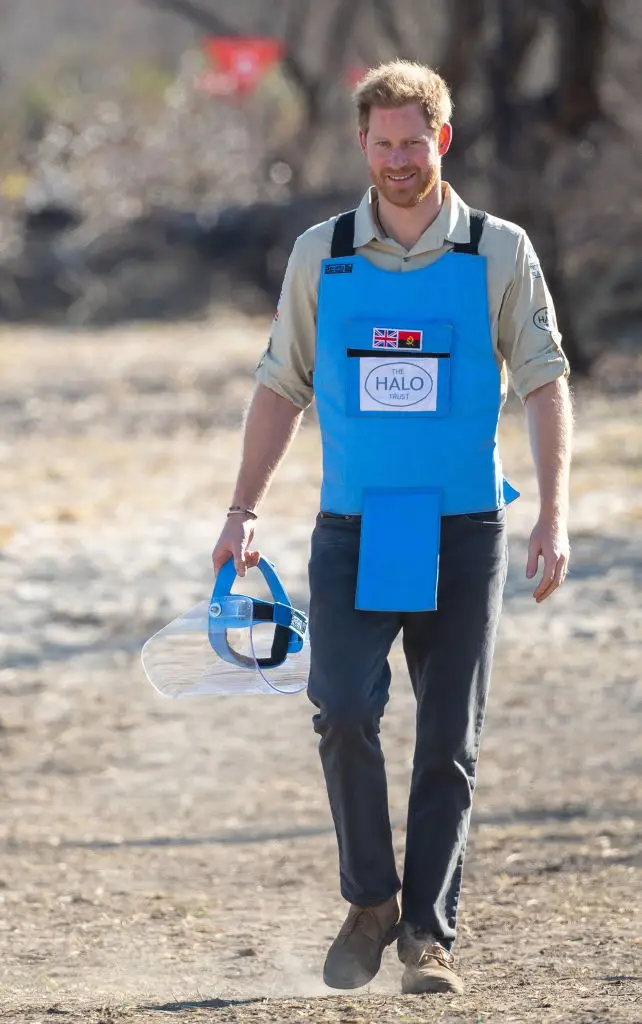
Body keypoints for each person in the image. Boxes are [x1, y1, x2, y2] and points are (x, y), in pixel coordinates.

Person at [212, 60, 572, 997]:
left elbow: (544, 381)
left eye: (415, 142)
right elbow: (280, 386)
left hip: (465, 527)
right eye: (384, 144)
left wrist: (554, 512)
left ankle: (427, 938)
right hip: (354, 528)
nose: (400, 160)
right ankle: (371, 900)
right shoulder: (320, 254)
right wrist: (242, 511)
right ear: (362, 144)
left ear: (442, 139)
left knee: (449, 739)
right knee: (340, 706)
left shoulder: (498, 250)